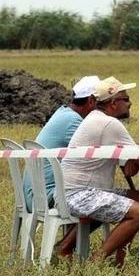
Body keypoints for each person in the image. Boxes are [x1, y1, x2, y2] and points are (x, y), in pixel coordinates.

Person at [59, 76, 139, 267]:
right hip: (80, 194)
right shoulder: (110, 124)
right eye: (125, 99)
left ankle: (68, 247)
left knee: (137, 196)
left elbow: (129, 167)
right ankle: (97, 262)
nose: (130, 103)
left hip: (72, 190)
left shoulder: (96, 118)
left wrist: (135, 158)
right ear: (113, 103)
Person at [23, 75, 100, 208]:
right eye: (103, 102)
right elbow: (97, 156)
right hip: (45, 196)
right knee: (101, 198)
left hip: (35, 193)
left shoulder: (64, 113)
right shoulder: (73, 121)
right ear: (91, 101)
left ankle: (74, 230)